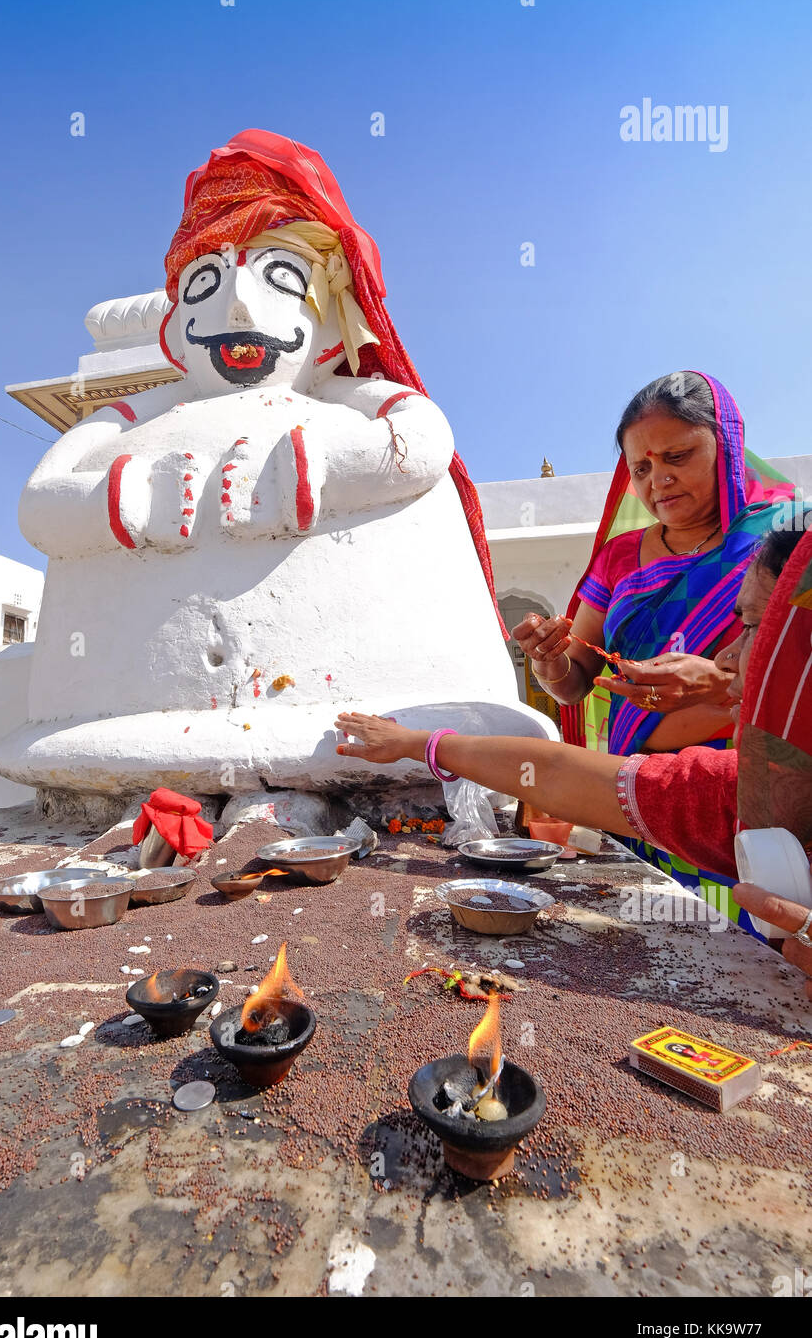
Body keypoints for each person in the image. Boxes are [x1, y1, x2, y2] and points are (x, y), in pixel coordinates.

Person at [334, 525, 812, 992]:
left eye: (753, 627)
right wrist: (418, 743)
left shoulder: (768, 787)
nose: (724, 661)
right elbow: (557, 772)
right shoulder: (744, 789)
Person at [513, 371, 796, 917]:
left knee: (754, 939)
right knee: (656, 938)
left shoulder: (787, 538)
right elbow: (575, 681)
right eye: (640, 468)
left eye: (677, 457)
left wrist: (722, 682)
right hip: (636, 797)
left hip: (745, 794)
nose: (658, 480)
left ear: (727, 446)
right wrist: (549, 660)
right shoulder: (619, 558)